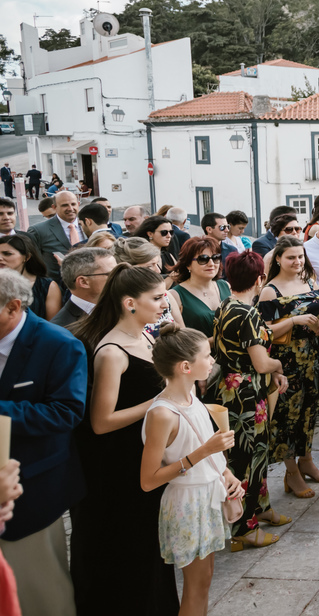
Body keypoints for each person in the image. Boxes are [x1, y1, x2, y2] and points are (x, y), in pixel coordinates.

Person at [69, 263, 177, 613]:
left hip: (145, 455)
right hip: (118, 466)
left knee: (150, 547)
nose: (165, 303)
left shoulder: (146, 336)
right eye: (157, 298)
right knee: (127, 549)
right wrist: (160, 401)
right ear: (130, 303)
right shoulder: (111, 352)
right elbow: (101, 422)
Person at [139, 325, 242, 616]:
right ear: (186, 366)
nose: (212, 360)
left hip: (207, 495)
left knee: (205, 580)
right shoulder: (162, 414)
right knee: (195, 587)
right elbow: (148, 480)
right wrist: (204, 452)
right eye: (207, 356)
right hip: (187, 503)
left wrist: (227, 474)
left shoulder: (192, 395)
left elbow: (206, 450)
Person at [0, 270, 84, 616]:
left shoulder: (58, 343)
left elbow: (66, 413)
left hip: (32, 486)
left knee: (42, 592)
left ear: (13, 307)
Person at [210, 251, 291, 550]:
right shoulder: (249, 313)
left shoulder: (226, 304)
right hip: (246, 393)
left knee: (251, 454)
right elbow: (261, 363)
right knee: (249, 458)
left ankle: (261, 506)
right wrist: (278, 366)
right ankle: (244, 526)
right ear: (259, 279)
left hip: (230, 388)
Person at [258, 236, 319, 499]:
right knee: (288, 416)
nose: (297, 261)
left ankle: (306, 460)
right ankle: (291, 471)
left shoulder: (309, 280)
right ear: (278, 259)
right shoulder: (270, 291)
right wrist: (294, 321)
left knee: (310, 411)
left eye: (300, 256)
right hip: (287, 361)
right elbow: (263, 332)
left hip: (314, 356)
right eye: (291, 257)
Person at [167, 237, 230, 340]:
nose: (211, 264)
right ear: (188, 264)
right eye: (203, 259)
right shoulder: (175, 295)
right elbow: (181, 341)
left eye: (216, 258)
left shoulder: (226, 286)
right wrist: (218, 339)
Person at [0, 234, 62, 319]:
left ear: (27, 257)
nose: (0, 258)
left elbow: (53, 323)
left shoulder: (47, 286)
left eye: (7, 254)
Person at [50, 247, 115, 327]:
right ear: (83, 282)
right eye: (111, 274)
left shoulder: (121, 307)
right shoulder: (63, 328)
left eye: (119, 271)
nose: (119, 277)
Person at [27, 189, 80, 281]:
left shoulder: (90, 225)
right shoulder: (38, 231)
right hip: (57, 285)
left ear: (78, 204)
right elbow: (32, 264)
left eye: (73, 204)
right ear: (54, 207)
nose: (70, 208)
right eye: (64, 205)